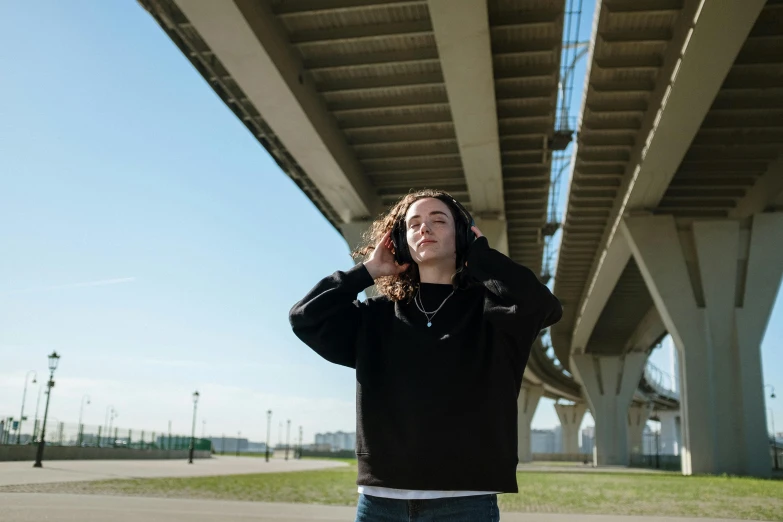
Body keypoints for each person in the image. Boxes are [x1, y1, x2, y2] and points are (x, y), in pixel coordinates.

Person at [289, 189, 562, 521]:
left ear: (462, 234)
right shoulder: (373, 317)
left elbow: (543, 306)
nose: (424, 228)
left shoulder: (495, 314)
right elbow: (304, 317)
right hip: (379, 502)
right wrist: (368, 271)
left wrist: (480, 258)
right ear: (402, 241)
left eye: (439, 220)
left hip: (464, 501)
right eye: (413, 223)